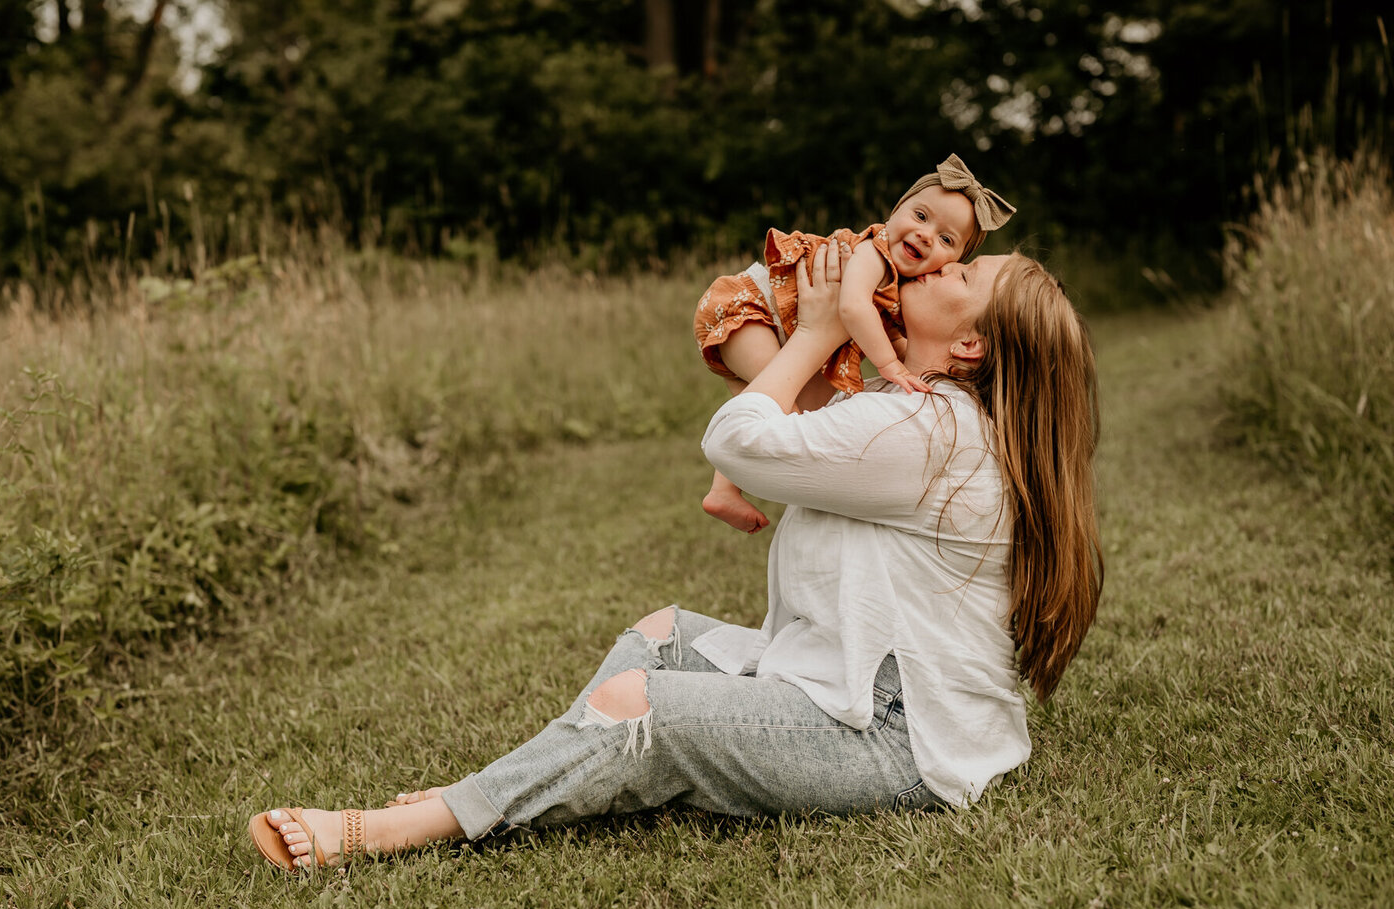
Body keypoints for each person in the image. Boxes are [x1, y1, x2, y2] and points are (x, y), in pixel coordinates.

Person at [248, 241, 1101, 872]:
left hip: (898, 736)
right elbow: (780, 401)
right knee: (662, 633)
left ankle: (404, 825)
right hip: (835, 679)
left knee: (639, 703)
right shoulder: (911, 408)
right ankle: (541, 779)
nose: (941, 266)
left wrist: (808, 334)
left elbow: (740, 440)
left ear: (971, 348)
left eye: (962, 277)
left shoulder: (929, 430)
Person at [695, 153, 1016, 533]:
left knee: (767, 401)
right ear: (896, 211)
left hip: (779, 329)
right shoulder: (873, 252)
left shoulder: (903, 284)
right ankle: (749, 477)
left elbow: (894, 335)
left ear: (953, 259)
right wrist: (891, 367)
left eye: (946, 239)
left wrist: (910, 363)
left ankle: (722, 491)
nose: (925, 235)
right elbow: (851, 307)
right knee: (785, 418)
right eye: (920, 216)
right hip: (751, 308)